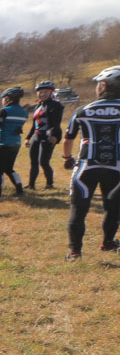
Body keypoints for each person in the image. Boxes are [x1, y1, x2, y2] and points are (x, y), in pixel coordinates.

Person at [63, 65, 120, 260]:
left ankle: (74, 252)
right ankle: (107, 242)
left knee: (78, 210)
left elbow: (68, 138)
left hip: (86, 166)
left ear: (104, 86)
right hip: (116, 167)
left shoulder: (82, 110)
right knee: (113, 208)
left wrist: (67, 158)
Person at [0, 87, 28, 200]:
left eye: (3, 98)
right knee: (9, 168)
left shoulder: (4, 111)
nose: (3, 101)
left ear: (8, 99)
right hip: (15, 144)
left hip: (1, 143)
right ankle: (20, 190)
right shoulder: (24, 112)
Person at [26, 80, 64, 190]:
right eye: (40, 92)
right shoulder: (38, 107)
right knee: (33, 162)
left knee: (43, 161)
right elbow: (35, 125)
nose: (42, 94)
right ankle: (31, 185)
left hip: (48, 137)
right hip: (37, 136)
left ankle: (49, 184)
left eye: (46, 92)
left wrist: (53, 135)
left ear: (51, 92)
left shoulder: (55, 105)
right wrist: (28, 137)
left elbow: (56, 122)